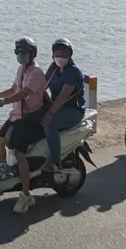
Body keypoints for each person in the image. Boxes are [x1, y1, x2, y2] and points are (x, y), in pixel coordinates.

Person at [0, 36, 47, 214]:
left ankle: (26, 195)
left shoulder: (36, 73)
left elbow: (22, 94)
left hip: (30, 120)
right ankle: (3, 174)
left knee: (19, 152)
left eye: (23, 52)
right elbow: (12, 89)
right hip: (17, 116)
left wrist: (3, 101)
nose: (20, 55)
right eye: (18, 52)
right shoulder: (22, 69)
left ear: (32, 54)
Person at [41, 38, 86, 174]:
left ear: (69, 55)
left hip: (73, 110)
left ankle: (55, 161)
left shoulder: (73, 71)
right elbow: (42, 85)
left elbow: (62, 96)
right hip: (56, 106)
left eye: (63, 54)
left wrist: (50, 113)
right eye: (57, 54)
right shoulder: (53, 68)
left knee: (49, 123)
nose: (60, 57)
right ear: (52, 55)